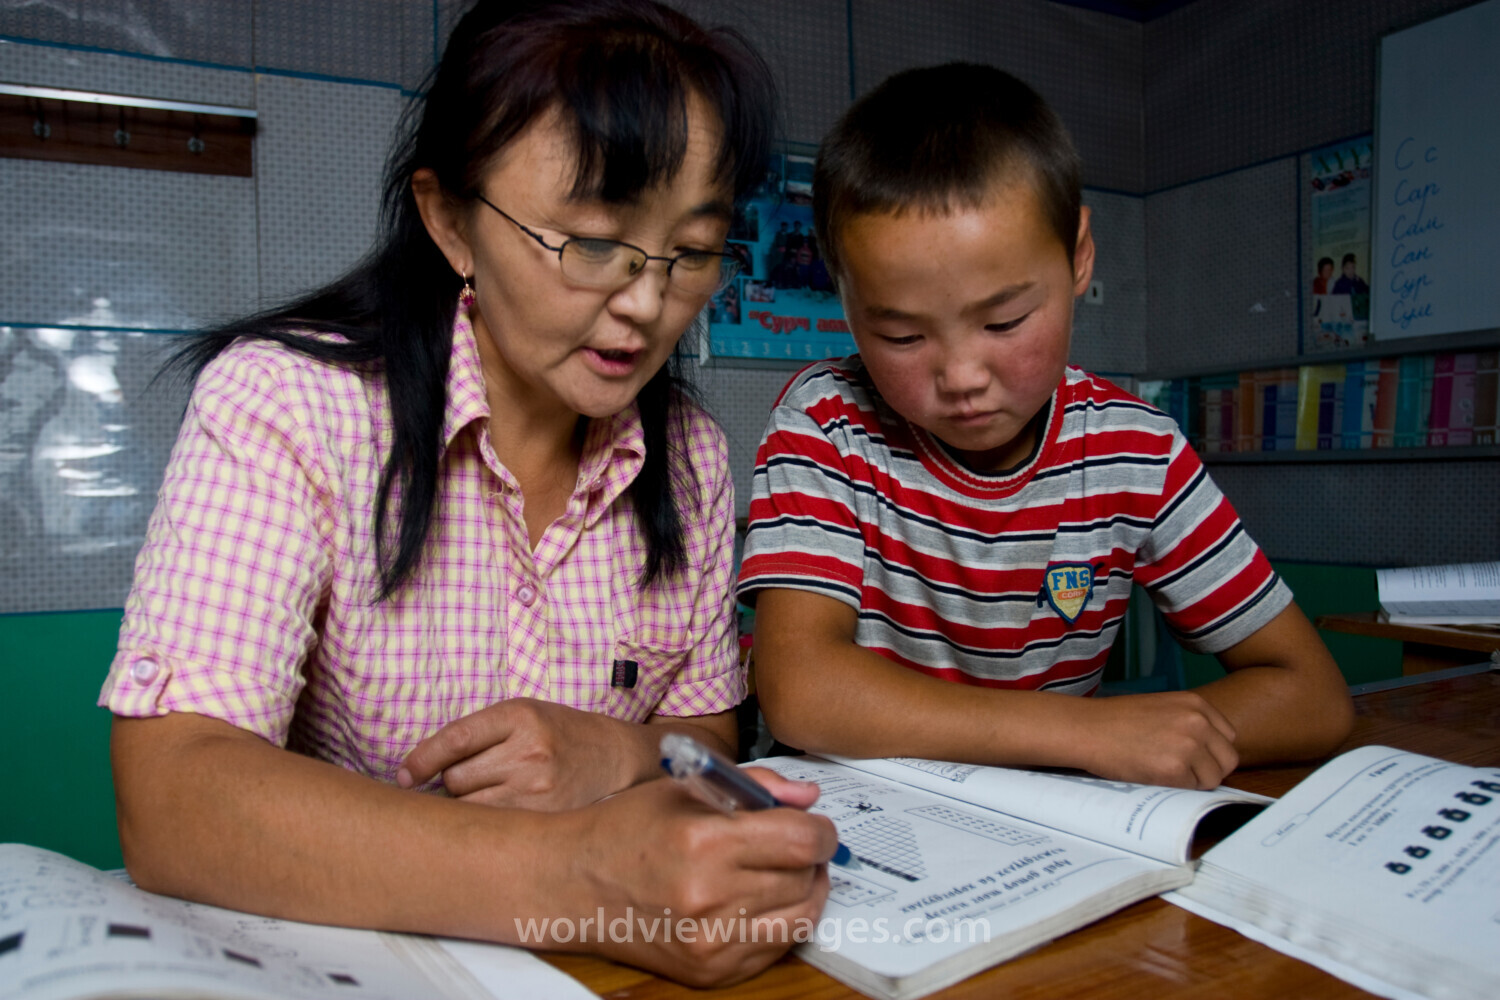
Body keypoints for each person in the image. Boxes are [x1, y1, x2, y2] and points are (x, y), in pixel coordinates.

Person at [99, 1, 835, 986]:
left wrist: (619, 758)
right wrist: (574, 879)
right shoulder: (288, 403)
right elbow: (176, 796)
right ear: (450, 221)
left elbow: (705, 735)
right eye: (588, 241)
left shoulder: (691, 455)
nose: (648, 302)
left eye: (693, 250)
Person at [738, 63, 1353, 791]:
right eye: (902, 337)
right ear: (846, 301)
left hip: (1053, 833)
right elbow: (802, 692)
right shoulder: (825, 424)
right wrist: (1081, 733)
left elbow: (1313, 696)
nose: (962, 375)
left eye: (1004, 321)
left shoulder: (1138, 451)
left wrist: (1140, 736)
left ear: (1079, 255)